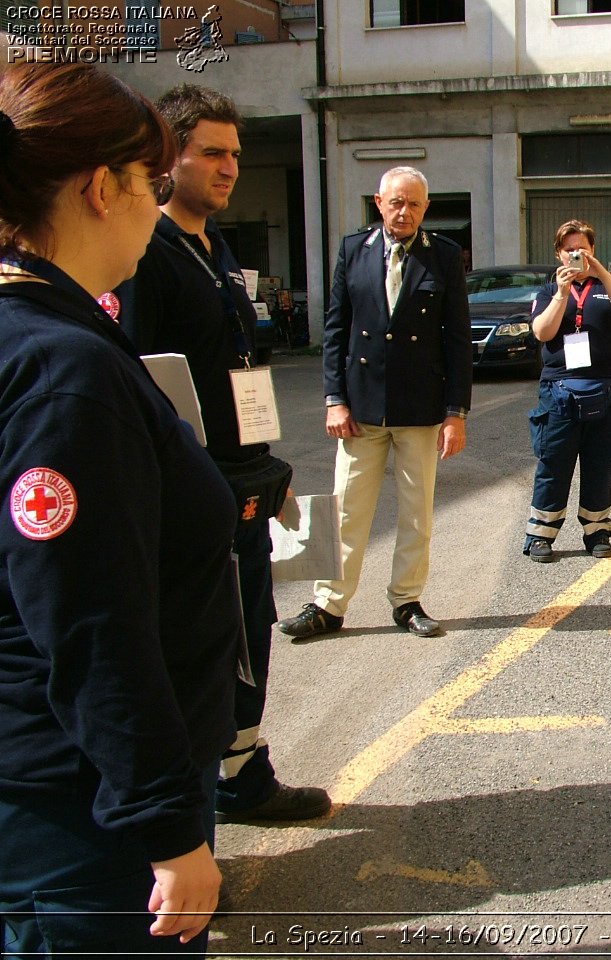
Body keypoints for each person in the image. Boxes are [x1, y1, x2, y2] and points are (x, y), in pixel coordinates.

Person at [0, 63, 238, 955]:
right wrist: (168, 828)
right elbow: (90, 621)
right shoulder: (64, 371)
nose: (157, 203)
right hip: (80, 813)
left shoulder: (46, 336)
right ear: (104, 189)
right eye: (151, 181)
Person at [117, 84, 330, 826]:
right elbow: (143, 389)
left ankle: (241, 776)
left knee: (250, 634)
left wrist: (267, 469)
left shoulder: (217, 244)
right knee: (204, 653)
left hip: (241, 481)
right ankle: (192, 812)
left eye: (235, 154)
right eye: (211, 152)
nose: (229, 167)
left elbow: (239, 370)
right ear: (169, 156)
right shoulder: (146, 252)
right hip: (190, 494)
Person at [278, 166, 471, 640]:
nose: (404, 211)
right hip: (360, 407)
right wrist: (333, 400)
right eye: (395, 202)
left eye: (414, 204)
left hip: (419, 407)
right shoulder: (352, 251)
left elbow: (458, 341)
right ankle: (328, 604)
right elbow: (336, 332)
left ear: (426, 209)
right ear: (379, 203)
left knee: (416, 512)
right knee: (346, 509)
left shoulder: (443, 256)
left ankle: (406, 601)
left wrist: (455, 413)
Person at [522, 219, 611, 563]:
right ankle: (541, 535)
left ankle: (597, 530)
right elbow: (542, 333)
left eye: (582, 248)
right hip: (560, 389)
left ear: (593, 250)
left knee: (600, 461)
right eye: (569, 249)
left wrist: (601, 273)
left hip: (609, 388)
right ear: (558, 253)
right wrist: (560, 293)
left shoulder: (608, 284)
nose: (576, 254)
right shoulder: (547, 291)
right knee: (554, 461)